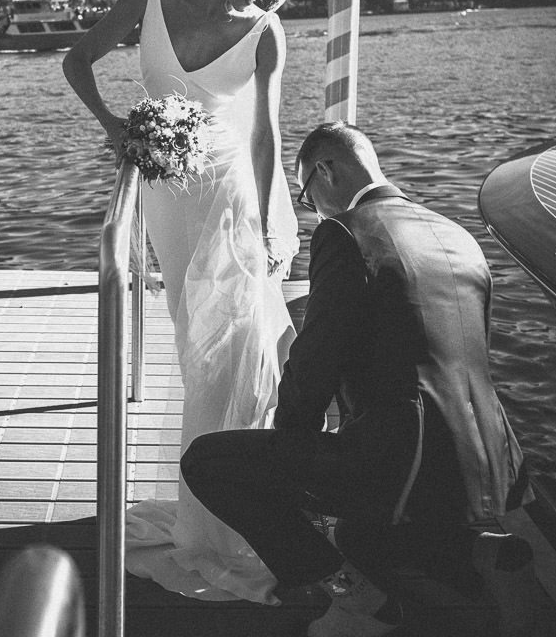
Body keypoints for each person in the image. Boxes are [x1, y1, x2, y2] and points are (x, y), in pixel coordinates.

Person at [181, 121, 530, 636]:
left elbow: (317, 355)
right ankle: (472, 549)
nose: (313, 208)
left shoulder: (344, 233)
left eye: (306, 194)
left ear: (326, 170)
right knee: (356, 532)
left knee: (210, 463)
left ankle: (359, 602)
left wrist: (291, 441)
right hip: (492, 462)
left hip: (399, 459)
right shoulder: (456, 234)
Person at [63, 0, 306, 603]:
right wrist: (114, 126)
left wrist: (262, 226)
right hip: (169, 200)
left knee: (237, 351)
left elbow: (264, 137)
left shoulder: (265, 33)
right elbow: (77, 60)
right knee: (196, 342)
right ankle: (219, 500)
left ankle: (223, 521)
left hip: (232, 196)